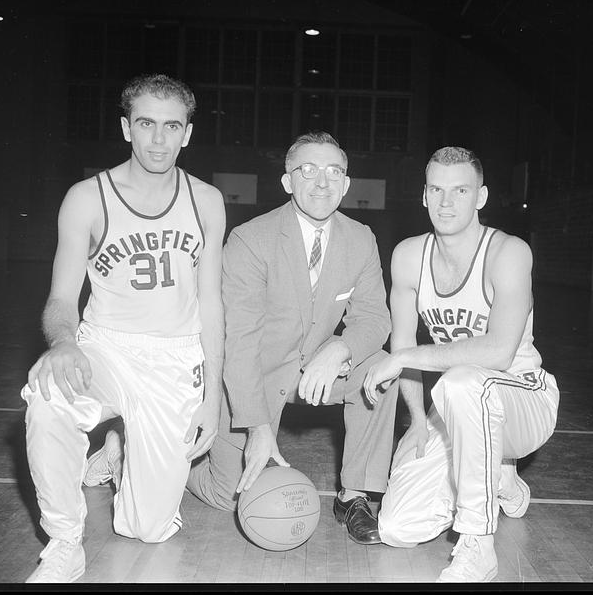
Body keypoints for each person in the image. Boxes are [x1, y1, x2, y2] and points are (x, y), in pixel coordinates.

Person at [22, 74, 225, 583]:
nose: (159, 139)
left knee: (149, 529)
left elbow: (212, 303)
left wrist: (212, 394)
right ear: (126, 128)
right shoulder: (87, 198)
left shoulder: (207, 201)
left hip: (176, 358)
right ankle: (64, 541)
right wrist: (64, 343)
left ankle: (115, 446)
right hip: (106, 347)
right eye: (146, 124)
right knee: (47, 395)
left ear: (188, 133)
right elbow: (61, 298)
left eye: (172, 126)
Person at [187, 131, 398, 544]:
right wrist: (257, 427)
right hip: (255, 376)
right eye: (308, 170)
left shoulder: (361, 239)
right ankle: (164, 466)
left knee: (382, 370)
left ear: (346, 184)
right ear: (287, 182)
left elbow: (374, 317)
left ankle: (354, 495)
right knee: (229, 495)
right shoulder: (251, 240)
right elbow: (239, 341)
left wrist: (340, 347)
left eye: (334, 171)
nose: (322, 182)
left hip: (316, 368)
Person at [363, 146, 559, 582]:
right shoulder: (409, 256)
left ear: (481, 196)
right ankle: (499, 480)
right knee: (397, 528)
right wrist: (417, 419)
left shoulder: (509, 252)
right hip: (460, 406)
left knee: (460, 381)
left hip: (524, 398)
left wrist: (406, 358)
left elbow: (498, 353)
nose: (446, 202)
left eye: (460, 190)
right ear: (424, 195)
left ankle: (478, 544)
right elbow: (402, 340)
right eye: (436, 189)